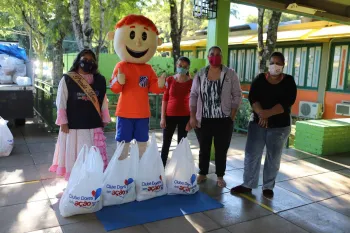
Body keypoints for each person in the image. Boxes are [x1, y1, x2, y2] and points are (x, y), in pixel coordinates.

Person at [231, 52, 297, 198]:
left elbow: (286, 103)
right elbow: (253, 97)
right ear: (269, 64)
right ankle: (248, 184)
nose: (275, 66)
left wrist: (268, 114)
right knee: (251, 154)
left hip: (279, 126)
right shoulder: (260, 79)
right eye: (272, 62)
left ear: (283, 65)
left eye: (278, 63)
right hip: (258, 123)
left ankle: (268, 187)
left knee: (273, 157)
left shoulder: (289, 81)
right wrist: (261, 113)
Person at [108, 15, 166, 159]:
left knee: (142, 145)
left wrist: (160, 85)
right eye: (132, 34)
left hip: (142, 114)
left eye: (144, 36)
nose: (138, 42)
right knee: (123, 145)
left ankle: (141, 173)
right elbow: (114, 88)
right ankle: (121, 174)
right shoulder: (121, 66)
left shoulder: (148, 69)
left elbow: (153, 88)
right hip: (124, 114)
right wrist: (119, 81)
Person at [49, 49, 110, 180]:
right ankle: (75, 182)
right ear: (78, 61)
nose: (87, 62)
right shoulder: (68, 79)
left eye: (91, 61)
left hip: (93, 124)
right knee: (75, 155)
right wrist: (63, 122)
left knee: (91, 155)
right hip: (73, 126)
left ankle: (91, 180)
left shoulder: (99, 80)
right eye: (84, 59)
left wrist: (104, 118)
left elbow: (103, 101)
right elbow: (61, 101)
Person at [189, 46, 242, 188]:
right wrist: (193, 116)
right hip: (204, 118)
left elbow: (237, 94)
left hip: (223, 119)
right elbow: (193, 95)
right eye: (212, 54)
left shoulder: (230, 74)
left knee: (221, 149)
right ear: (208, 56)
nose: (215, 56)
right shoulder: (200, 74)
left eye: (218, 54)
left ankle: (220, 175)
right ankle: (203, 173)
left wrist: (232, 115)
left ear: (222, 57)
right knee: (204, 148)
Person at [160, 56, 192, 167]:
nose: (182, 68)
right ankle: (161, 169)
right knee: (166, 144)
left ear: (188, 68)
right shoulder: (169, 80)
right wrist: (163, 117)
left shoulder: (191, 82)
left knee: (181, 145)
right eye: (180, 66)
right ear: (176, 66)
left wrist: (191, 120)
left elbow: (194, 103)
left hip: (185, 117)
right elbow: (165, 99)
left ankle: (179, 170)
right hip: (169, 117)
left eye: (185, 67)